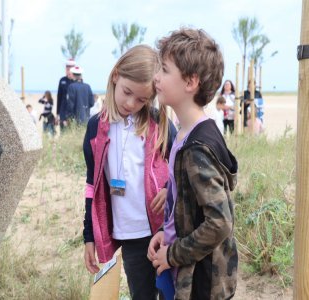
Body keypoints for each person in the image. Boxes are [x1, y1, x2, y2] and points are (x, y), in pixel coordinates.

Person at [149, 28, 238, 300]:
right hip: (186, 270)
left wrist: (173, 254)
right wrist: (167, 232)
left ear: (190, 82)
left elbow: (220, 222)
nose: (156, 77)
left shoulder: (196, 147)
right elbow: (188, 205)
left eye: (164, 70)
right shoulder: (186, 132)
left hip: (202, 282)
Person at [83, 45, 177, 300]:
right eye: (127, 92)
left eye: (142, 99)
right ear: (115, 76)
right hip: (129, 235)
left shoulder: (159, 124)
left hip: (162, 231)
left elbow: (182, 167)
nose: (131, 103)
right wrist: (88, 236)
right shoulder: (95, 128)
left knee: (171, 293)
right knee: (142, 295)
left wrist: (170, 188)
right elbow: (92, 186)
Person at [57, 59, 75, 131]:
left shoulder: (77, 81)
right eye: (67, 68)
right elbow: (59, 97)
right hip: (63, 112)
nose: (68, 70)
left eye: (70, 68)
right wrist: (57, 114)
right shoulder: (62, 80)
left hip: (73, 113)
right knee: (63, 132)